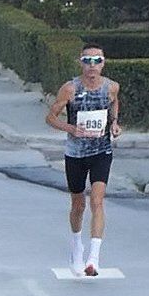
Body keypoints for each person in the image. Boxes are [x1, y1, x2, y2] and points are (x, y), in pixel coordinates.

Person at [46, 43, 122, 277]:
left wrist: (114, 124)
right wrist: (71, 128)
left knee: (97, 201)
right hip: (75, 153)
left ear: (103, 63)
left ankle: (94, 258)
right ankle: (76, 246)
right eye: (87, 61)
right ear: (80, 63)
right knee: (78, 204)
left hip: (101, 151)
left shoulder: (111, 87)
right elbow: (50, 117)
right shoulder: (70, 89)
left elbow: (114, 105)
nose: (92, 66)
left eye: (97, 61)